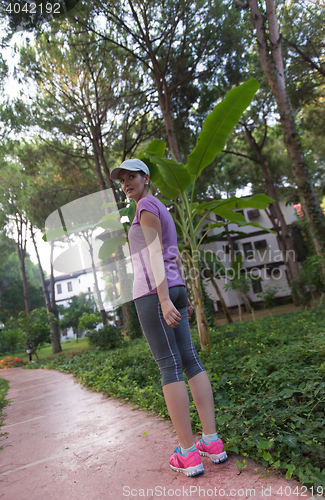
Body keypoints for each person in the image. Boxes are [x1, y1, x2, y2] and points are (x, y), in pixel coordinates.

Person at [110, 159, 228, 477]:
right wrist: (181, 295)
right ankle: (211, 442)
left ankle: (188, 454)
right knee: (190, 360)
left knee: (170, 365)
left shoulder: (146, 206)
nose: (125, 183)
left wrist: (163, 299)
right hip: (173, 287)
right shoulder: (160, 205)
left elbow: (153, 255)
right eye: (122, 180)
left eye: (131, 177)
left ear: (146, 177)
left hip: (154, 293)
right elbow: (171, 252)